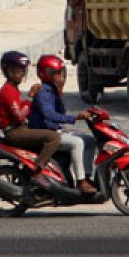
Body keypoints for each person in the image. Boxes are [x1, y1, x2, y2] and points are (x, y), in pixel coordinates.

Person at [28, 54, 97, 195]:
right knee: (77, 143)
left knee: (90, 141)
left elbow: (60, 111)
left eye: (60, 73)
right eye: (56, 73)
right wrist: (75, 117)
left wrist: (59, 93)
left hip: (55, 131)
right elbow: (51, 115)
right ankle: (81, 181)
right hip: (46, 134)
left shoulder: (52, 90)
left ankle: (87, 176)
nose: (59, 76)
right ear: (46, 74)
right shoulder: (42, 93)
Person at [0, 50, 61, 188]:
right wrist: (31, 97)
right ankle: (36, 171)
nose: (19, 74)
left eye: (21, 71)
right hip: (14, 132)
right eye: (16, 71)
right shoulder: (7, 90)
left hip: (20, 128)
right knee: (53, 138)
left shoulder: (13, 89)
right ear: (7, 71)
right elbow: (19, 115)